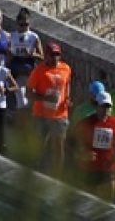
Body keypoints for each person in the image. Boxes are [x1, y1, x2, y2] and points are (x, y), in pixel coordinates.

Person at [69, 91, 115, 201]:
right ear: (96, 106)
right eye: (103, 106)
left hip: (108, 168)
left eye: (108, 107)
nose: (105, 110)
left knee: (108, 203)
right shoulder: (85, 123)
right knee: (86, 203)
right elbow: (71, 143)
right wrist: (81, 154)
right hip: (89, 169)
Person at [26, 41, 72, 174]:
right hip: (41, 114)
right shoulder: (38, 71)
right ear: (46, 55)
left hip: (60, 113)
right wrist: (44, 98)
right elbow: (29, 93)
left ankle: (57, 174)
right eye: (52, 55)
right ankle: (34, 171)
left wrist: (67, 98)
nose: (55, 58)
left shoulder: (66, 68)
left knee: (59, 145)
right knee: (39, 144)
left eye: (57, 54)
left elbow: (67, 83)